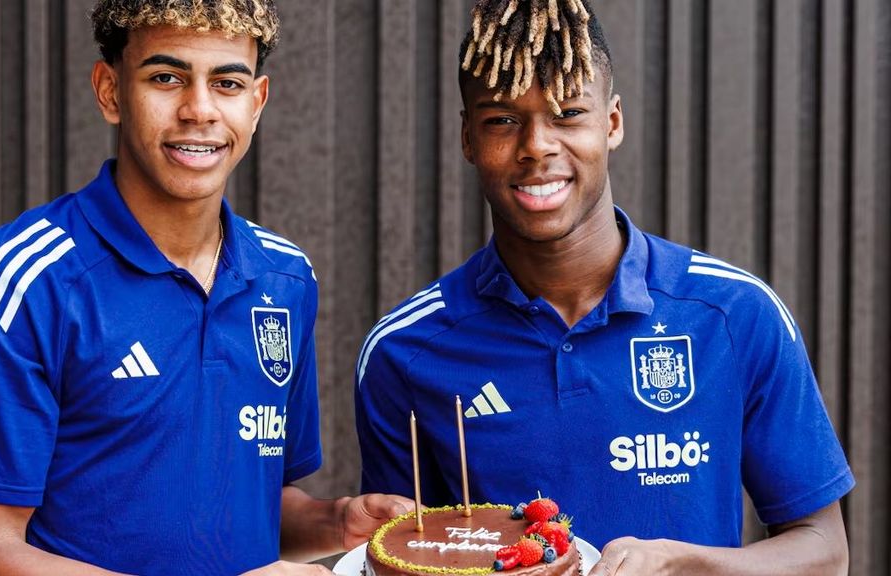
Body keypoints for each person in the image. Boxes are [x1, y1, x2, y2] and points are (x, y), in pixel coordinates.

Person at [354, 1, 853, 574]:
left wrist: (681, 563)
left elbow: (825, 551)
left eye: (568, 113)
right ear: (468, 137)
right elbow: (400, 555)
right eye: (502, 120)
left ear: (611, 123)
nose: (537, 145)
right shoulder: (406, 351)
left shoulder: (736, 316)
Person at [0, 1, 410, 574]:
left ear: (257, 103)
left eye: (227, 83)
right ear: (110, 91)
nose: (198, 109)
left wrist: (336, 522)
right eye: (166, 78)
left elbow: (245, 509)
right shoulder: (23, 277)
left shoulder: (285, 277)